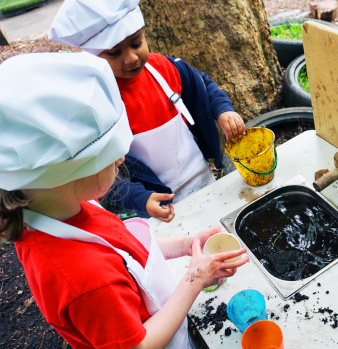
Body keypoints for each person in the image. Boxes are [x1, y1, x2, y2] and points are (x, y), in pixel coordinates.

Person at [0, 52, 249, 348]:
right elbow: (139, 344)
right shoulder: (86, 280)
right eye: (108, 155)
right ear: (59, 177)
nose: (121, 158)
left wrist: (187, 244)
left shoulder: (62, 206)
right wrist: (195, 279)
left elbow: (127, 249)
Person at [48, 0, 247, 222]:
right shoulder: (96, 105)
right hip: (155, 204)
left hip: (203, 176)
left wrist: (223, 110)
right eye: (114, 52)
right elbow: (99, 173)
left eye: (136, 43)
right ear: (93, 59)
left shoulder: (164, 67)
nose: (131, 58)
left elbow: (203, 85)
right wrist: (139, 198)